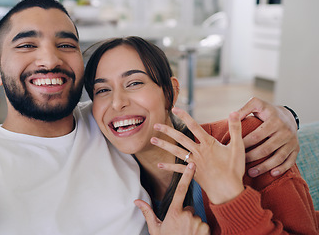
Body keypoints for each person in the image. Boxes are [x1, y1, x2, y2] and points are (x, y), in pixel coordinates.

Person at [0, 0, 299, 234]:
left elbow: (176, 125)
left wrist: (282, 117)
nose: (49, 59)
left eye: (65, 44)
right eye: (26, 45)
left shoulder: (107, 124)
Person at [83, 36, 319, 234]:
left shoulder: (248, 141)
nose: (117, 102)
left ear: (170, 93)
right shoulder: (112, 181)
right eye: (102, 90)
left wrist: (229, 196)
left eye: (134, 83)